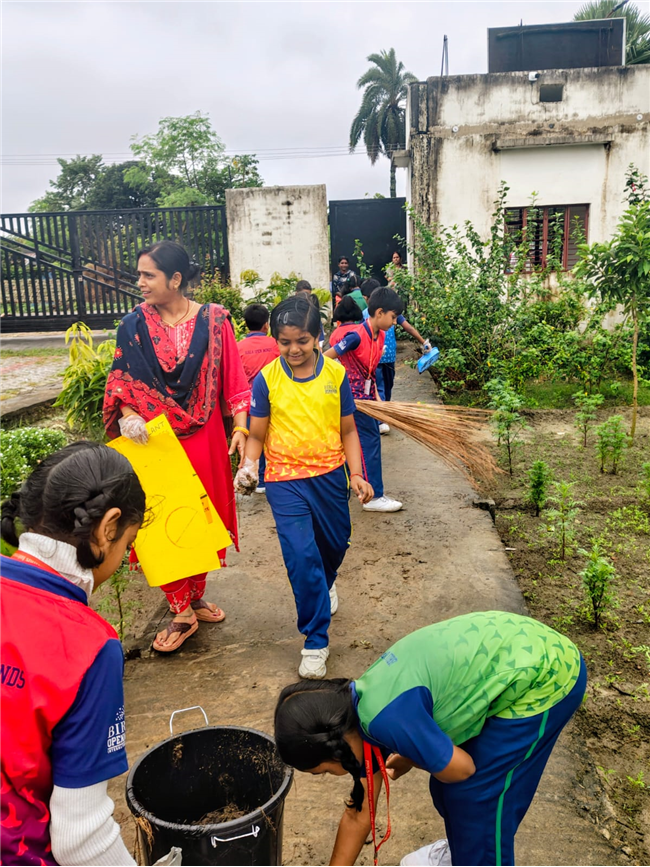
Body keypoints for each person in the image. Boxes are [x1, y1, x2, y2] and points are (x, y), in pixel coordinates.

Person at [274, 610, 587, 867]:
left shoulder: (387, 719)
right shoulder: (360, 710)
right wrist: (412, 753)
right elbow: (358, 816)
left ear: (333, 744)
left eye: (325, 770)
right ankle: (462, 853)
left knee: (476, 798)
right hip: (513, 654)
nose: (333, 774)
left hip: (546, 676)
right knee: (447, 790)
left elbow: (462, 768)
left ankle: (478, 855)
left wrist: (418, 753)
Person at [0, 443, 147, 866]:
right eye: (129, 543)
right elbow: (81, 839)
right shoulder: (88, 648)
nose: (125, 556)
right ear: (107, 528)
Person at [103, 240, 251, 653]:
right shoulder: (132, 326)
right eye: (140, 274)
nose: (140, 283)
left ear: (176, 278)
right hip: (154, 441)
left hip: (205, 436)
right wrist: (130, 415)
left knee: (204, 517)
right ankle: (181, 610)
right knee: (162, 521)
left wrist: (240, 427)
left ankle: (195, 593)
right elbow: (122, 381)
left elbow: (235, 383)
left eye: (148, 275)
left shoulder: (216, 321)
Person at [234, 296, 373, 679]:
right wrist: (248, 466)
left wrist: (358, 475)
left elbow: (348, 430)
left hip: (330, 478)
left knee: (336, 542)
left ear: (317, 337)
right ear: (275, 340)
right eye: (284, 342)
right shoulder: (267, 379)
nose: (293, 349)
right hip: (284, 481)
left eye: (302, 341)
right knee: (301, 556)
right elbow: (258, 435)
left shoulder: (336, 375)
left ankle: (324, 583)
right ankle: (315, 639)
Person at [325, 286, 404, 513]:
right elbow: (325, 358)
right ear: (379, 313)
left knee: (359, 444)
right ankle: (374, 497)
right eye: (393, 317)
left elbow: (369, 371)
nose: (394, 322)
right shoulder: (356, 336)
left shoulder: (378, 335)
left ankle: (357, 488)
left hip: (366, 399)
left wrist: (377, 397)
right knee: (369, 444)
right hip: (354, 402)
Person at [237, 303, 280, 494]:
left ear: (246, 325)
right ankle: (271, 475)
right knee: (273, 438)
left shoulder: (239, 348)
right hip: (274, 400)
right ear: (266, 325)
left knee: (254, 439)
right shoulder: (275, 344)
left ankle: (258, 478)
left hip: (248, 402)